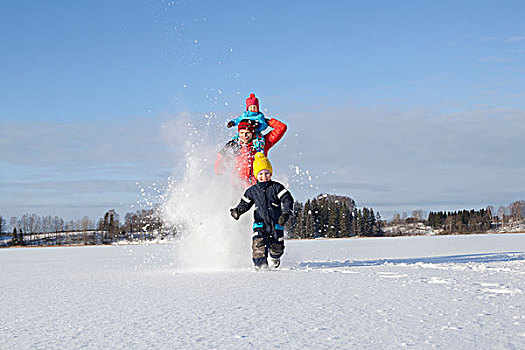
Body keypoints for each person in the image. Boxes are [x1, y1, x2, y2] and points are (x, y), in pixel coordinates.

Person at [230, 152, 294, 270]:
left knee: (277, 245)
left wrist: (286, 213)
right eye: (260, 174)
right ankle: (260, 266)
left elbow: (287, 199)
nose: (264, 176)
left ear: (270, 173)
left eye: (266, 173)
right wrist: (238, 211)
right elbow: (245, 203)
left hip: (276, 222)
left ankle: (275, 258)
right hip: (260, 222)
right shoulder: (252, 191)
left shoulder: (276, 187)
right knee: (258, 243)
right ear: (256, 175)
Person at [215, 113, 287, 188]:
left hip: (258, 184)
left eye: (247, 133)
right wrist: (220, 167)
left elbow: (281, 128)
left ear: (252, 132)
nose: (244, 136)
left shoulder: (262, 143)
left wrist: (265, 121)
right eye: (241, 133)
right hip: (237, 185)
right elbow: (221, 163)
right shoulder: (234, 146)